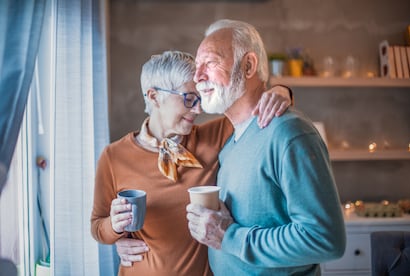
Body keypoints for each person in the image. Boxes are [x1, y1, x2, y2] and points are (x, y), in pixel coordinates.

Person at [90, 50, 292, 276]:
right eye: (188, 98)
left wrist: (281, 91)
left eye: (200, 99)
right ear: (154, 96)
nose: (198, 109)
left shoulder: (212, 137)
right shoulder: (114, 156)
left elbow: (255, 106)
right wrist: (115, 227)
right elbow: (97, 227)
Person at [186, 19, 346, 275]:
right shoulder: (229, 143)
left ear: (248, 65)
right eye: (197, 66)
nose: (198, 77)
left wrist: (229, 236)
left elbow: (325, 239)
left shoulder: (289, 133)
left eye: (211, 63)